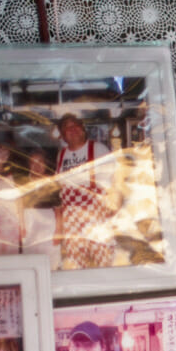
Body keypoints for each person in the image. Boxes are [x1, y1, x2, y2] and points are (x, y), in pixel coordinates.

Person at [55, 112, 116, 269]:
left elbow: (115, 181)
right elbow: (60, 188)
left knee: (103, 261)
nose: (73, 129)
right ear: (62, 136)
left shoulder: (98, 149)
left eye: (76, 125)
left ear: (83, 129)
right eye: (67, 127)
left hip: (96, 215)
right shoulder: (61, 155)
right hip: (72, 220)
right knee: (75, 263)